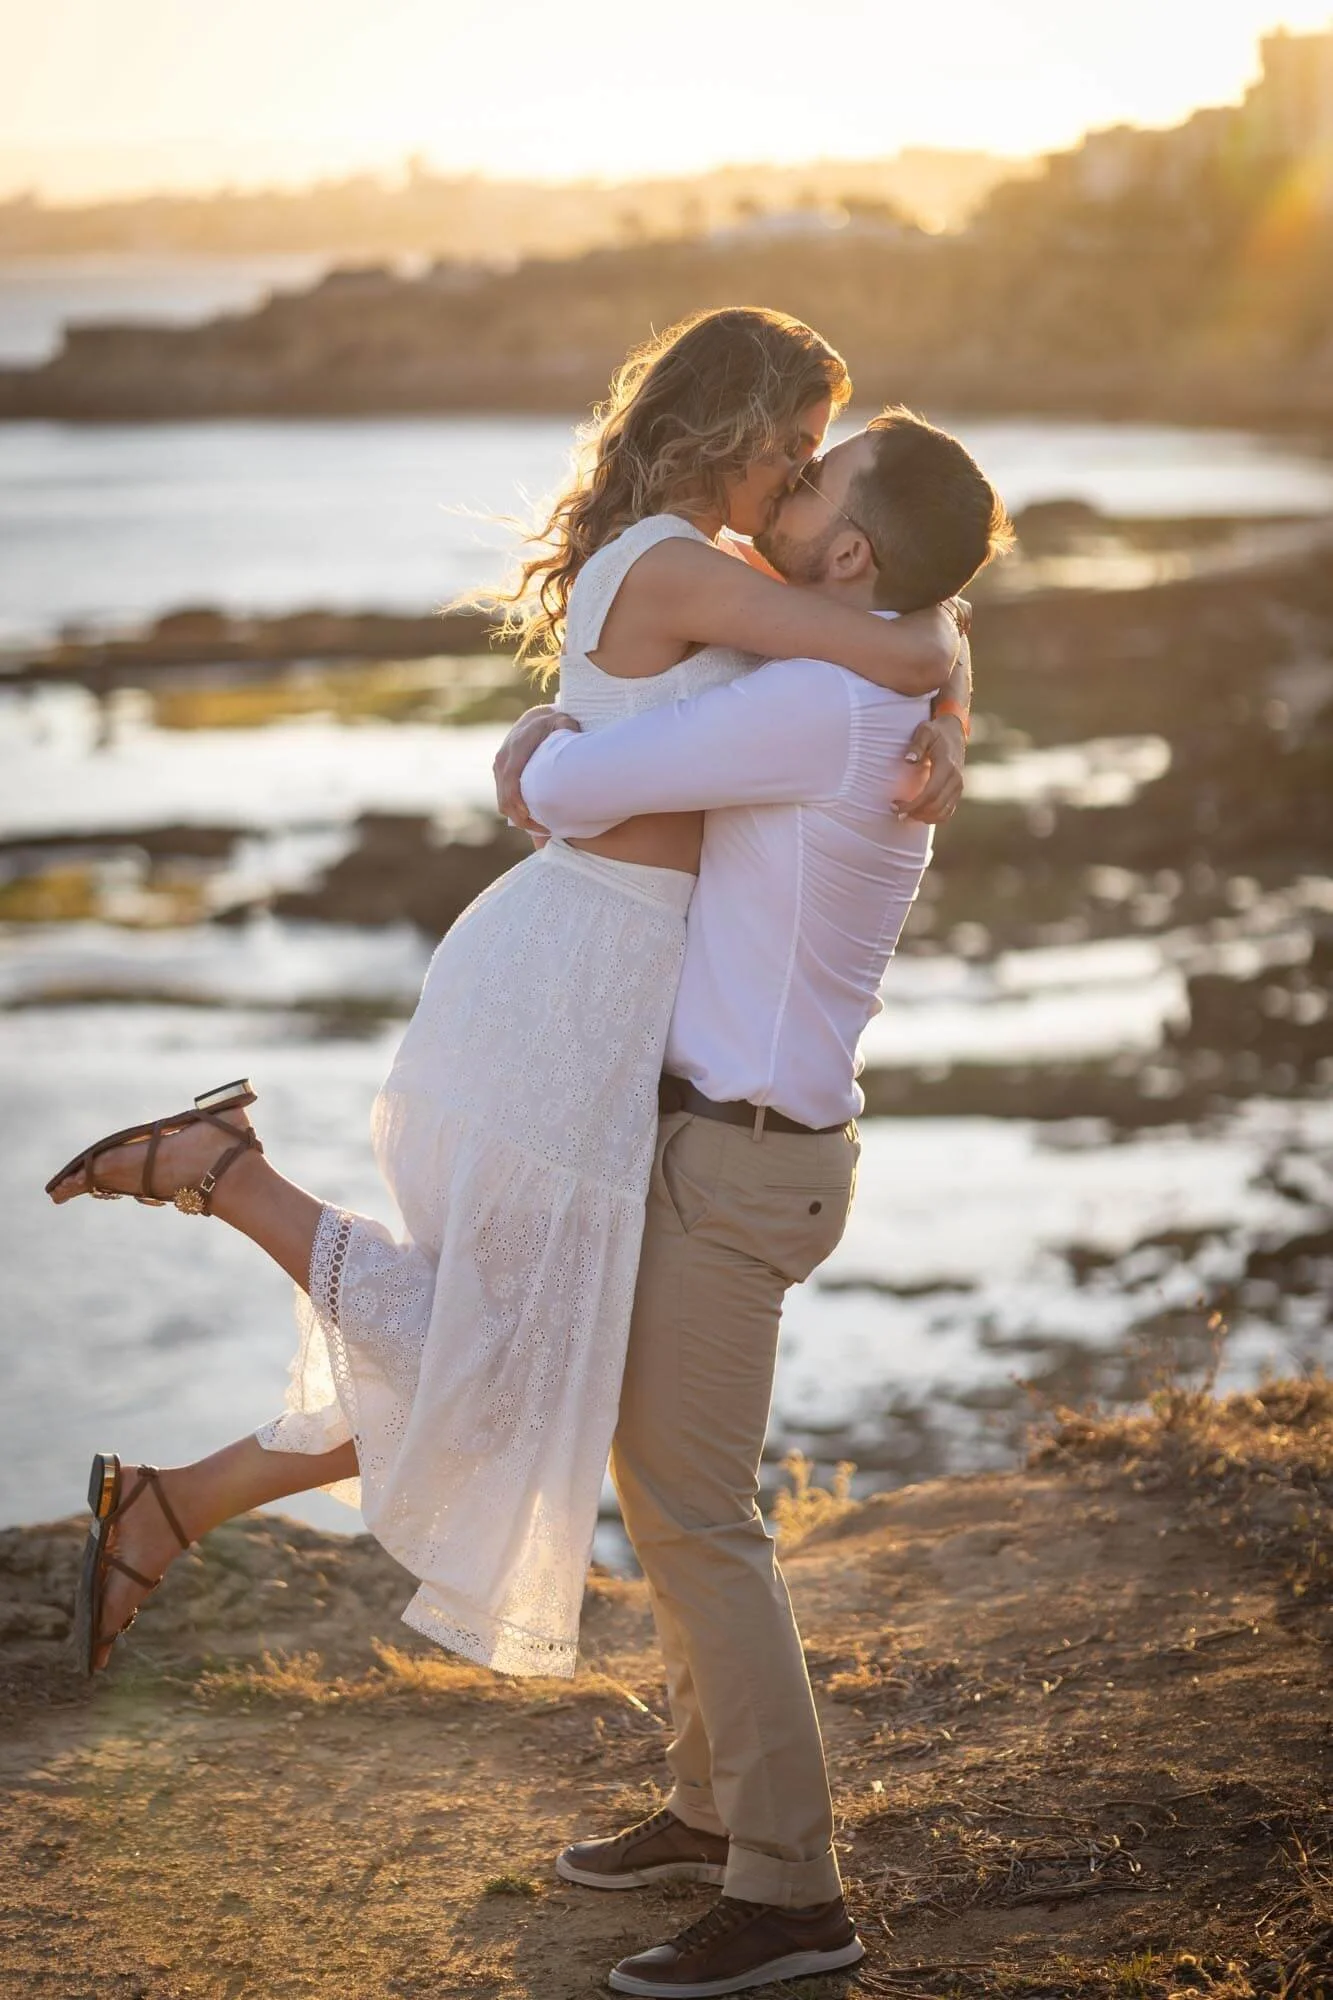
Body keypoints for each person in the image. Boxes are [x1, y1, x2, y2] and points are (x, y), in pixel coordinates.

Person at [44, 307, 967, 1683]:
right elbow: (897, 639)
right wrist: (945, 691)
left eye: (821, 457)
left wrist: (949, 703)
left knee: (526, 1362)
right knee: (513, 1356)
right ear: (733, 430)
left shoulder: (696, 561)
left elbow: (891, 620)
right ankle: (225, 1177)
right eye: (798, 443)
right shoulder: (676, 565)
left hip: (596, 981)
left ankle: (177, 1498)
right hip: (574, 976)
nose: (802, 469)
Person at [493, 406, 1010, 1997]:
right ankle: (712, 1813)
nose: (783, 489)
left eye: (814, 479)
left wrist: (522, 754)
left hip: (747, 1161)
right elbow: (930, 626)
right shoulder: (869, 676)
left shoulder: (816, 708)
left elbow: (580, 785)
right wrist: (951, 668)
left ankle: (792, 1895)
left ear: (846, 553)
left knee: (700, 1523)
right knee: (674, 1501)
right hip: (739, 1145)